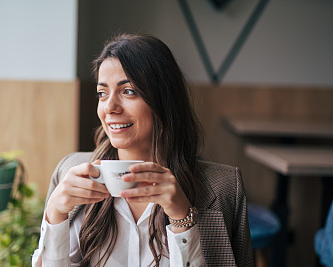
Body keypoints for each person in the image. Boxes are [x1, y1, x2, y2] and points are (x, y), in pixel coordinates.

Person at [32, 34, 253, 266]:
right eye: (102, 93)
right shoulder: (70, 172)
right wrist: (54, 216)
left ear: (163, 100)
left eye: (128, 91)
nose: (109, 107)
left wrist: (182, 220)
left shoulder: (224, 188)